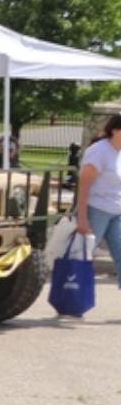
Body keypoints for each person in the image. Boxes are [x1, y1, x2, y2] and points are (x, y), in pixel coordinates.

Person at [74, 113, 121, 286]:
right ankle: (72, 295)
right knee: (83, 255)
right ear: (115, 130)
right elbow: (84, 185)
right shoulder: (99, 151)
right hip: (97, 210)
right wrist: (82, 217)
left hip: (117, 212)